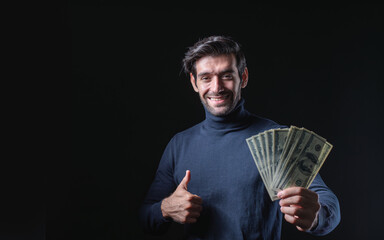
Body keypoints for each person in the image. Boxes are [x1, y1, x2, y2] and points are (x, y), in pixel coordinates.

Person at [139, 36, 340, 239]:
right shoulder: (179, 145)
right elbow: (146, 219)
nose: (216, 87)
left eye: (226, 75)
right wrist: (165, 208)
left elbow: (329, 205)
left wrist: (316, 217)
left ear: (243, 77)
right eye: (206, 77)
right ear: (194, 83)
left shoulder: (277, 139)